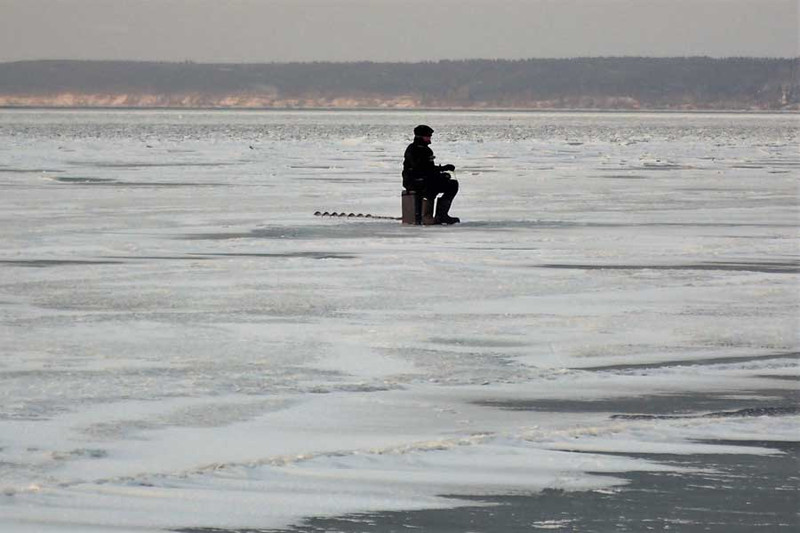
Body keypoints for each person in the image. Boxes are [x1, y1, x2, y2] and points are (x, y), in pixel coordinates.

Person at [402, 125, 460, 225]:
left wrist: (442, 170)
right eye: (428, 136)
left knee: (452, 185)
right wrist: (438, 173)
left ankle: (441, 215)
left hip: (424, 179)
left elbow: (429, 168)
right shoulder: (413, 150)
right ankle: (427, 216)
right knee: (431, 186)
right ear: (420, 137)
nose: (429, 138)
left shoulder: (426, 150)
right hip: (413, 181)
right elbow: (419, 168)